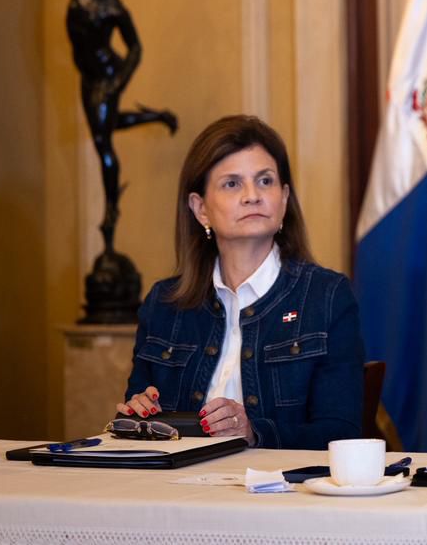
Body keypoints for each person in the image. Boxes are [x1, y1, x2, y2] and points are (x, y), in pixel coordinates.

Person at [119, 115, 364, 449]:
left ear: (284, 198)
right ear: (200, 209)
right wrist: (138, 415)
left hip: (280, 483)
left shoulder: (327, 296)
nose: (252, 196)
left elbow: (341, 434)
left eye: (265, 181)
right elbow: (136, 426)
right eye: (232, 184)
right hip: (180, 480)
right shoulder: (164, 303)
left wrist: (254, 432)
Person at [56, 0, 177, 252]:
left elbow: (135, 47)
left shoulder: (115, 8)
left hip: (105, 76)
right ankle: (156, 116)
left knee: (102, 143)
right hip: (88, 76)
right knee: (105, 128)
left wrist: (117, 82)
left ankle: (110, 214)